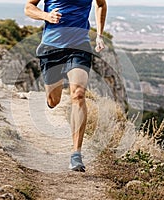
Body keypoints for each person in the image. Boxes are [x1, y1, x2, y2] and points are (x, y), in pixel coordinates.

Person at [24, 0, 107, 172]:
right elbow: (28, 7)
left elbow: (101, 5)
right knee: (54, 100)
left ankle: (76, 153)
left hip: (79, 47)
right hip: (51, 48)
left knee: (78, 94)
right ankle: (50, 99)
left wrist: (99, 34)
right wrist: (46, 16)